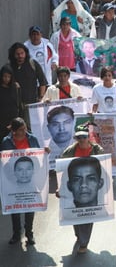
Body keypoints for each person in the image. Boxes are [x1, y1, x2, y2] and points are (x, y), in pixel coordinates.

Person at [58, 124, 104, 254]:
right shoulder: (69, 152)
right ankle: (79, 236)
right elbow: (61, 170)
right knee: (76, 215)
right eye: (79, 137)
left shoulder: (97, 150)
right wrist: (59, 188)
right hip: (75, 189)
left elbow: (105, 169)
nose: (82, 140)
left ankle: (84, 242)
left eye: (84, 137)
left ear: (88, 137)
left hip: (90, 192)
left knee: (88, 217)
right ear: (75, 138)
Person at [0, 117, 44, 245]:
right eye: (21, 129)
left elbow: (39, 157)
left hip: (31, 179)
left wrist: (44, 152)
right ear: (14, 131)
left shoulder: (32, 139)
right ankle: (16, 234)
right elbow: (5, 162)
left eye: (25, 128)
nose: (24, 131)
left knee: (30, 206)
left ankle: (29, 234)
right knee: (15, 207)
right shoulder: (6, 141)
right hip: (13, 181)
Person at [8, 42, 48, 125]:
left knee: (33, 127)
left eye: (22, 53)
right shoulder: (9, 68)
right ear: (13, 55)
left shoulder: (33, 64)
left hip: (32, 105)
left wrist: (41, 98)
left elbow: (42, 81)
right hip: (15, 106)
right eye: (17, 54)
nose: (20, 56)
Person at [91, 67, 116, 133]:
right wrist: (92, 112)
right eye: (105, 76)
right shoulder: (96, 88)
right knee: (103, 141)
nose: (107, 78)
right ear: (101, 77)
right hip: (102, 120)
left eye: (109, 75)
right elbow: (95, 104)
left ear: (112, 76)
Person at [0, 65, 23, 141]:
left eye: (9, 77)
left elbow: (18, 105)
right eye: (5, 76)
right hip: (2, 123)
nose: (6, 79)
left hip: (14, 123)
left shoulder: (15, 88)